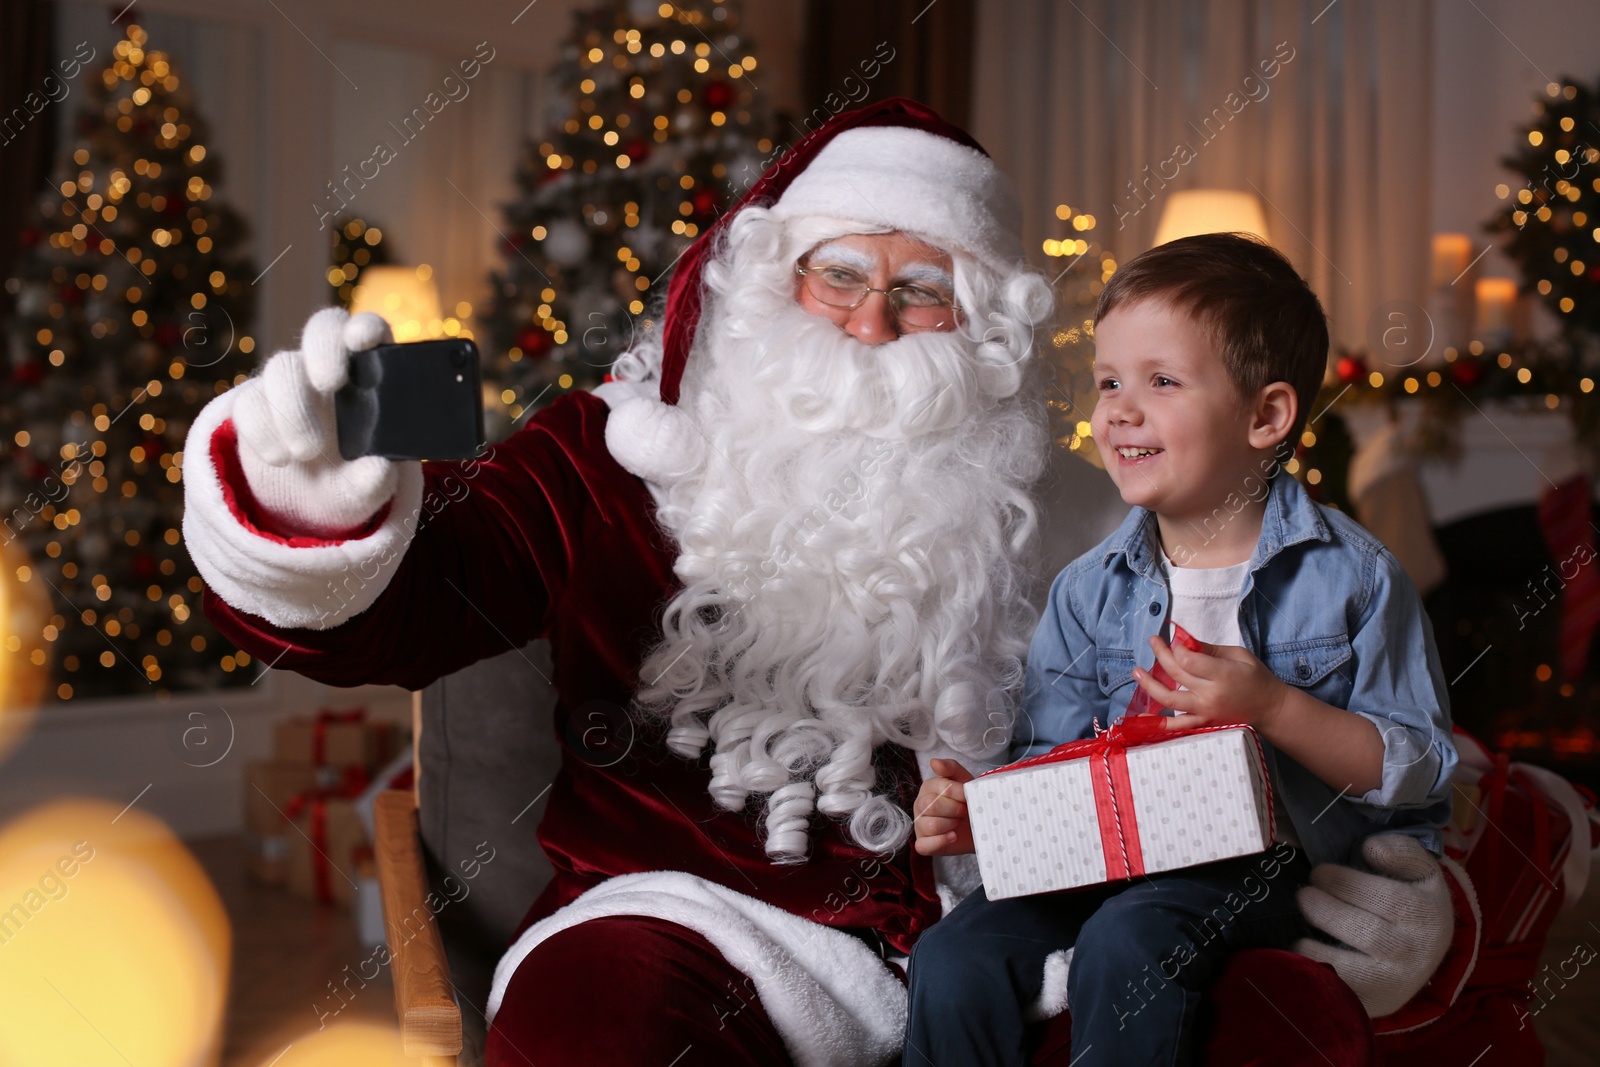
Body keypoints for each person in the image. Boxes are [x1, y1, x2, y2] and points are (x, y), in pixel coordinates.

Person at [182, 99, 1450, 1066]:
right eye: (837, 273)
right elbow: (406, 606)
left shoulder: (1093, 514)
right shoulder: (610, 456)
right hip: (702, 925)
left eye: (920, 291)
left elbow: (1298, 724)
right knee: (600, 1010)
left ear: (984, 331)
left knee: (1265, 1010)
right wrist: (307, 491)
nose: (870, 324)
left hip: (1022, 929)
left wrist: (1396, 902)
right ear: (765, 283)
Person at [906, 233, 1459, 1066]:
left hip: (1262, 865)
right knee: (952, 954)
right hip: (1106, 848)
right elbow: (1051, 755)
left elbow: (1416, 765)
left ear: (1265, 416)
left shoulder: (1355, 578)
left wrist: (1273, 706)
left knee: (1132, 936)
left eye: (1161, 381)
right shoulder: (1087, 588)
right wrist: (979, 811)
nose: (1120, 409)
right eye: (1109, 382)